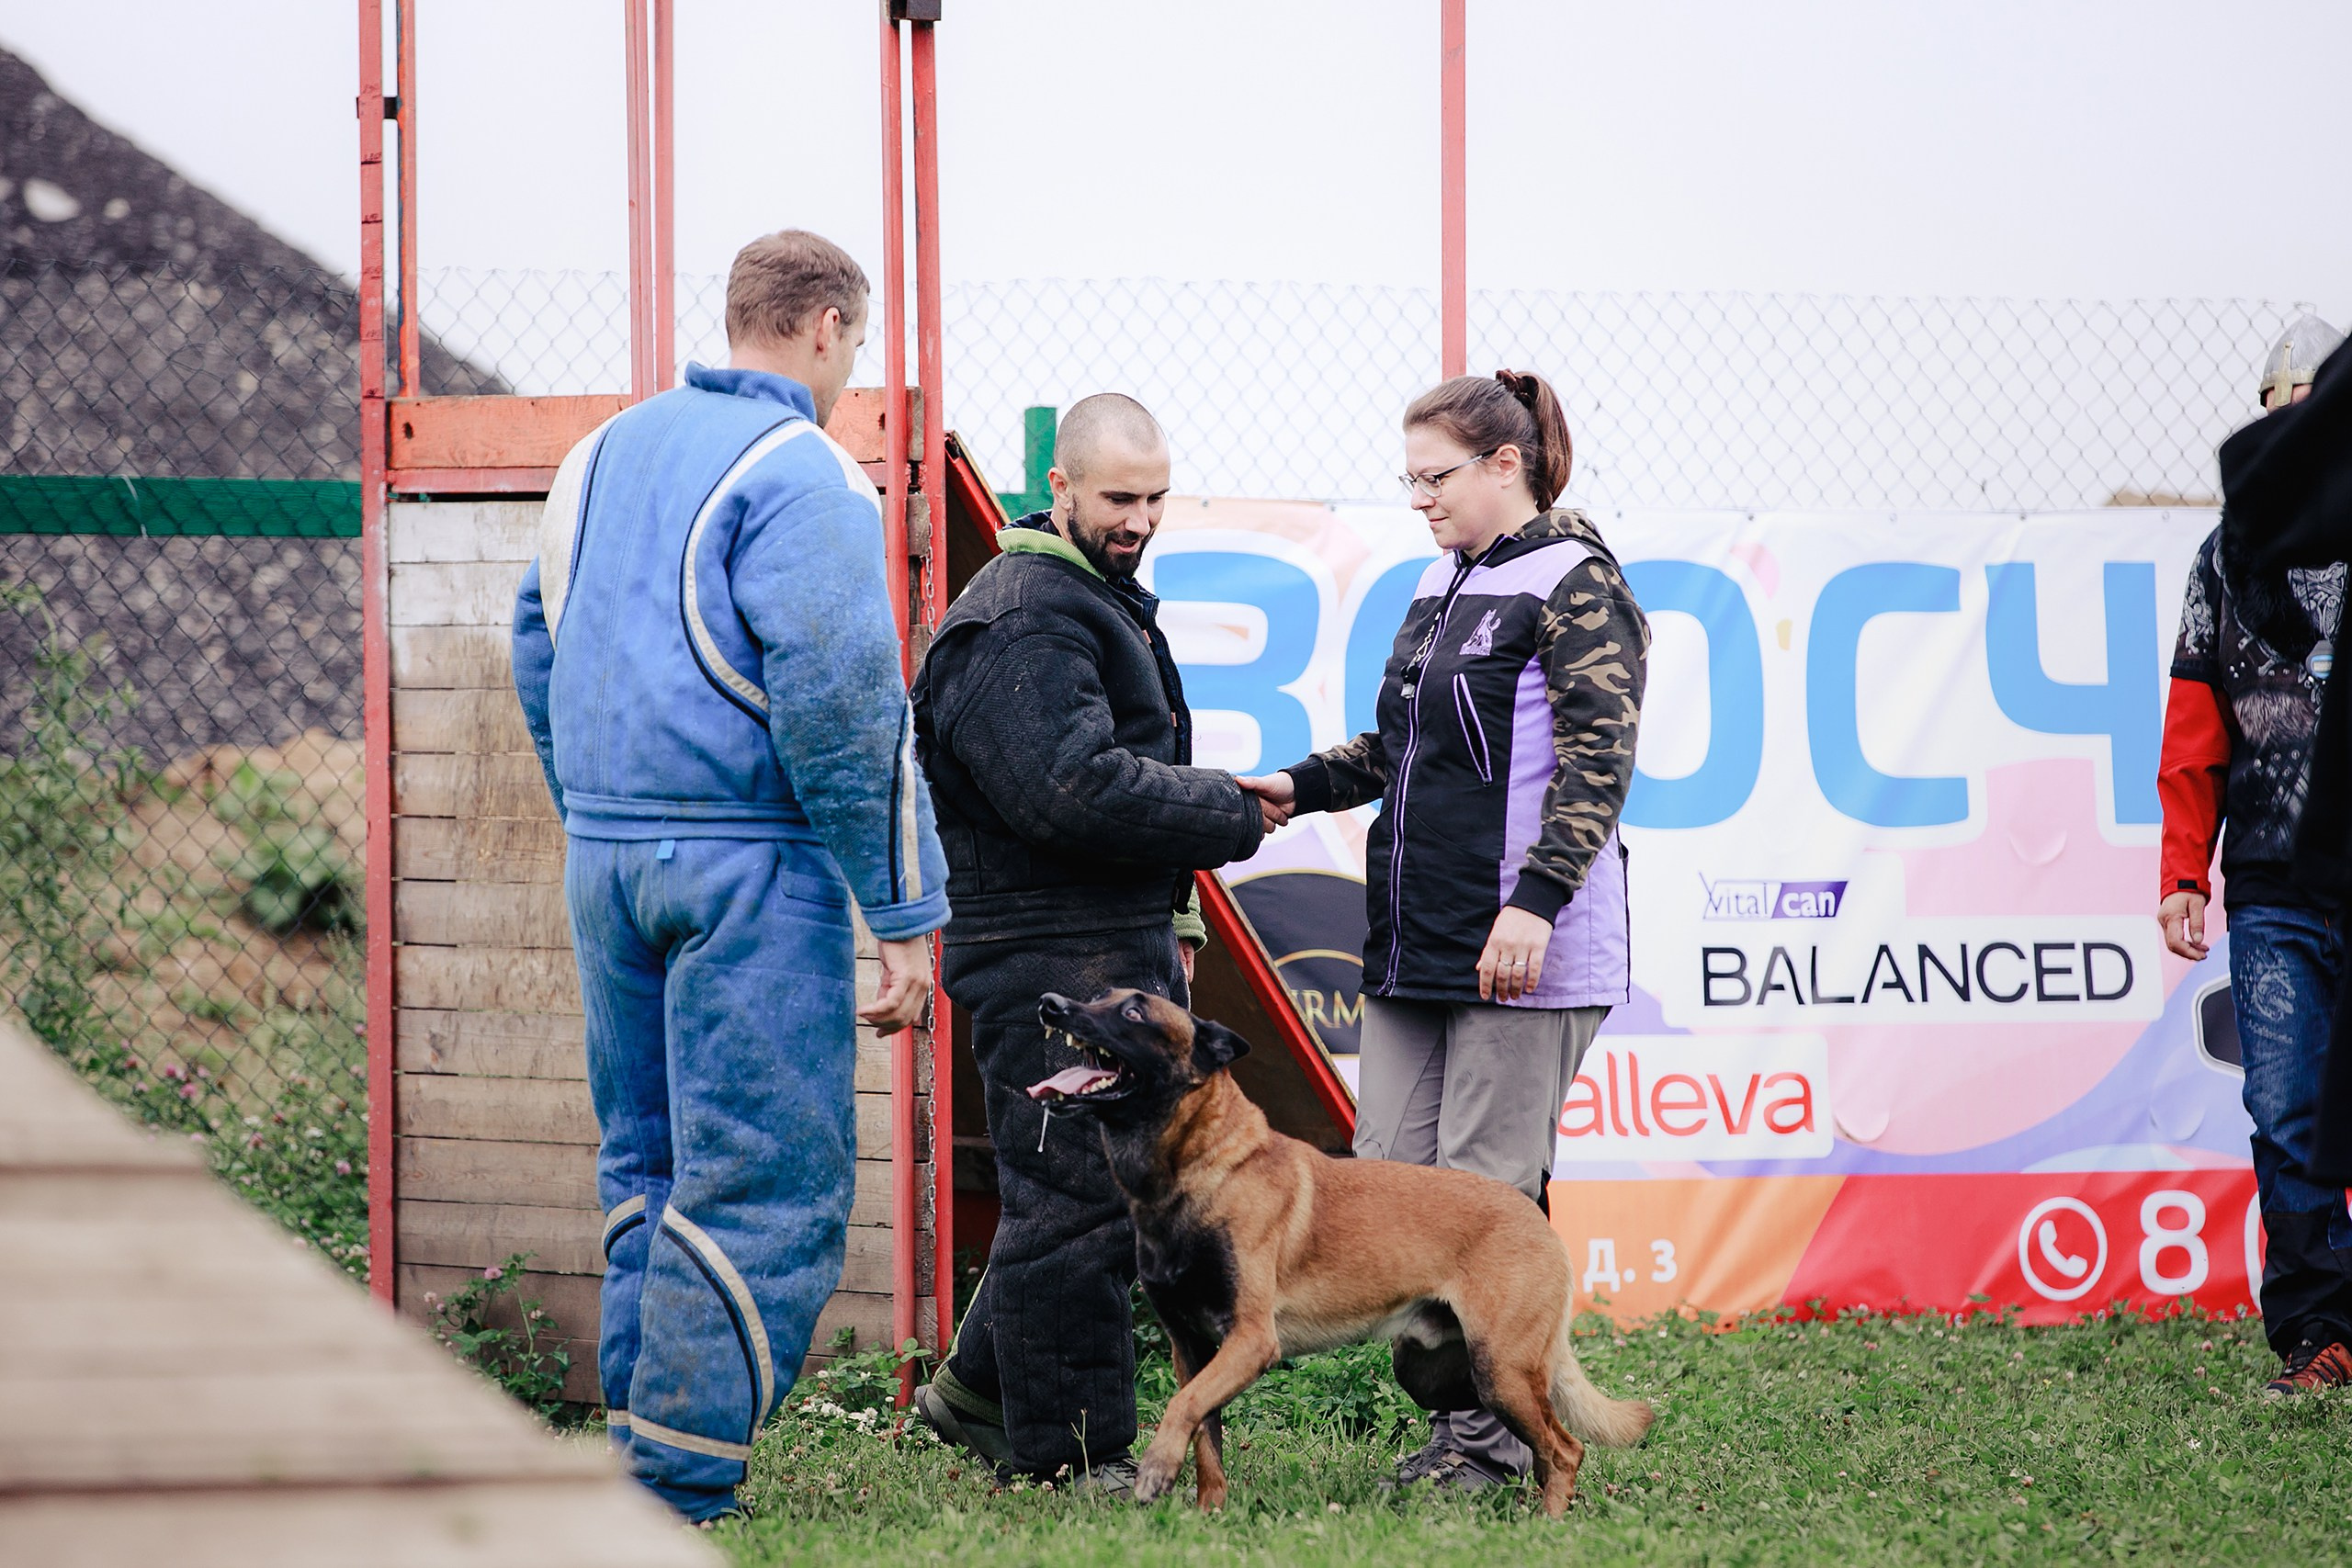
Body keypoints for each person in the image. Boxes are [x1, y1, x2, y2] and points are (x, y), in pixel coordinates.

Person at [511, 228, 948, 1523]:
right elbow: (846, 701)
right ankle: (682, 1486)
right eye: (855, 344)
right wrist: (903, 911)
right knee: (763, 1174)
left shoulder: (600, 453)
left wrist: (590, 808)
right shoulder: (798, 468)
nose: (852, 368)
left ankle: (643, 1451)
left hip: (607, 857)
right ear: (822, 327)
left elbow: (534, 641)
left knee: (643, 1162)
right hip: (748, 866)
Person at [1238, 369, 1648, 1492]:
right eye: (1408, 480)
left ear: (1503, 466)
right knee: (1383, 1198)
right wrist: (1297, 783)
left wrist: (1537, 901)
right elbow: (1395, 746)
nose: (1418, 500)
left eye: (1435, 478)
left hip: (1524, 938)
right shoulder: (1438, 581)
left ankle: (1488, 1447)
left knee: (1481, 1195)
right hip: (1415, 939)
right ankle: (1475, 1415)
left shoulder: (1577, 581)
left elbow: (1599, 762)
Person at [908, 394, 1265, 1492]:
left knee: (1095, 1194)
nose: (1142, 517)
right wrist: (1230, 810)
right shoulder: (1027, 616)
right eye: (1119, 497)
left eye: (1157, 495)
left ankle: (976, 1396)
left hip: (1103, 943)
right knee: (1075, 1202)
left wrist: (1178, 918)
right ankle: (1068, 1460)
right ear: (1056, 488)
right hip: (1043, 957)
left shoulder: (1086, 597)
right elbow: (1068, 792)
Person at [2160, 313, 2351, 1396]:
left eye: (2315, 417)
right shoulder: (2223, 560)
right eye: (2282, 417)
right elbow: (2194, 731)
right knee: (2283, 1112)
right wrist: (2183, 872)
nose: (2297, 437)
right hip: (2273, 886)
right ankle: (2318, 1335)